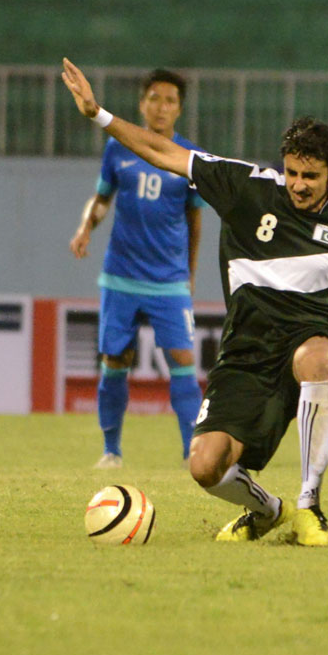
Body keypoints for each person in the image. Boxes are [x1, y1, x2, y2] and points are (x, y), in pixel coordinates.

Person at [61, 58, 328, 547]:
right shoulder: (245, 187)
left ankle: (311, 505)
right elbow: (162, 151)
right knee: (205, 466)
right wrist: (99, 114)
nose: (298, 184)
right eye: (292, 172)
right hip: (245, 354)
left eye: (310, 176)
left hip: (304, 341)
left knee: (320, 358)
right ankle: (269, 510)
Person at [68, 67, 205, 470]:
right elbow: (101, 198)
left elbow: (195, 222)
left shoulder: (188, 157)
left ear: (179, 110)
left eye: (170, 101)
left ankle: (190, 453)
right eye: (154, 98)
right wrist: (85, 227)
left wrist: (190, 274)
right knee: (115, 360)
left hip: (168, 280)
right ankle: (111, 452)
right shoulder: (118, 149)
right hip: (121, 276)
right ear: (142, 104)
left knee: (183, 360)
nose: (161, 107)